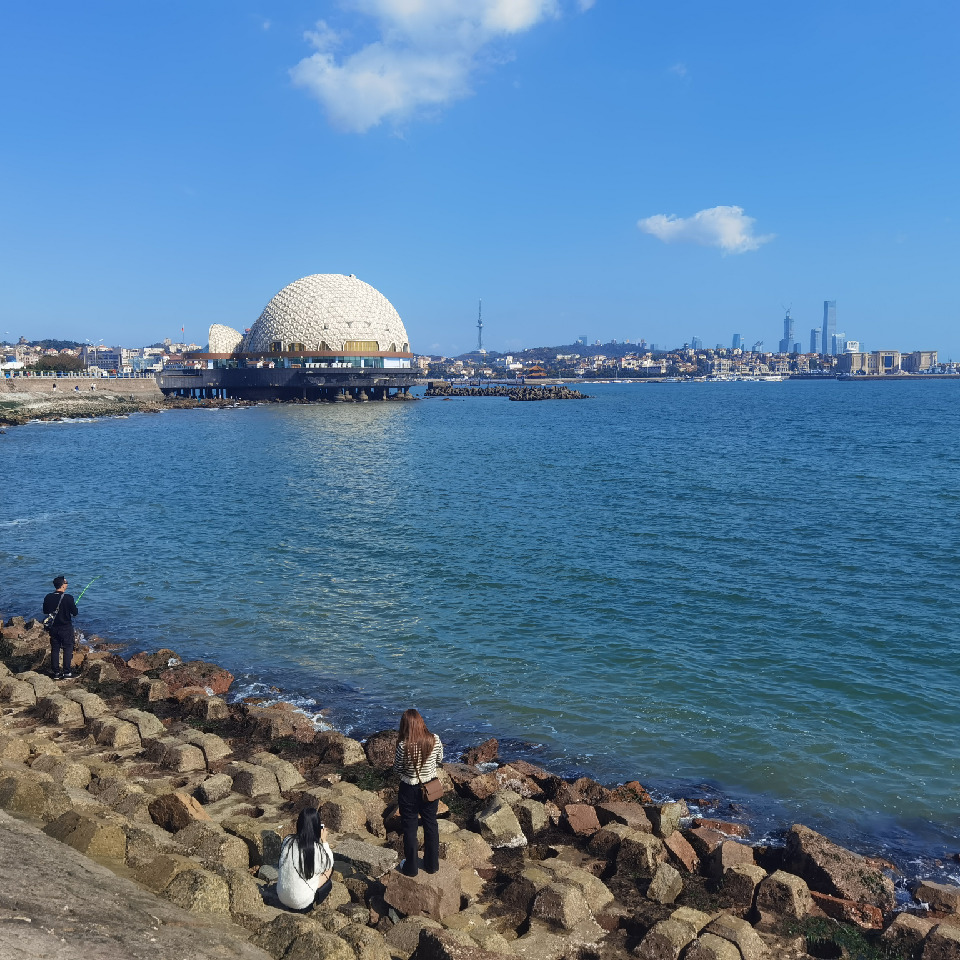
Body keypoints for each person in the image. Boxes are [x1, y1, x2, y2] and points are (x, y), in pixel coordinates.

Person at [393, 708, 443, 876]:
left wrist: (410, 774)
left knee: (410, 828)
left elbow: (397, 768)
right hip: (430, 787)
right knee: (431, 824)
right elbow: (439, 759)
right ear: (421, 722)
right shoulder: (434, 739)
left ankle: (411, 867)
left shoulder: (403, 745)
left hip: (409, 789)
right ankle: (432, 865)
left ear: (405, 725)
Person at [276, 807, 334, 911]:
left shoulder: (288, 840)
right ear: (317, 826)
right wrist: (324, 841)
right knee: (329, 872)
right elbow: (329, 863)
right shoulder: (317, 849)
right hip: (302, 903)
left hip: (282, 897)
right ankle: (310, 906)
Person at [42, 575, 79, 680]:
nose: (67, 584)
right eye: (66, 582)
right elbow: (75, 613)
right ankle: (67, 673)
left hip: (53, 627)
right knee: (68, 648)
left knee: (55, 649)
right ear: (63, 585)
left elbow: (45, 611)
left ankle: (56, 673)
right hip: (66, 627)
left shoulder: (48, 597)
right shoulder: (68, 598)